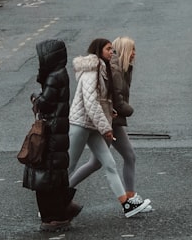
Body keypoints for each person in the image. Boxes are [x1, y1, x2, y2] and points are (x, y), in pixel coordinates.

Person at [67, 39, 152, 218]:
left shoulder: (103, 69)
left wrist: (109, 113)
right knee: (69, 166)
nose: (111, 52)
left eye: (112, 49)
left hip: (94, 125)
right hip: (82, 124)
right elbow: (91, 103)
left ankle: (127, 205)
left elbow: (103, 99)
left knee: (109, 164)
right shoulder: (92, 71)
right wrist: (106, 127)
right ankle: (50, 202)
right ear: (98, 50)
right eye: (108, 49)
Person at [22, 39, 74, 232]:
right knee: (54, 176)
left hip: (51, 135)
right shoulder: (59, 73)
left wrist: (36, 98)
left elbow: (45, 104)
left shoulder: (54, 76)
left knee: (45, 177)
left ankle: (53, 217)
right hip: (57, 133)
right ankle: (61, 212)